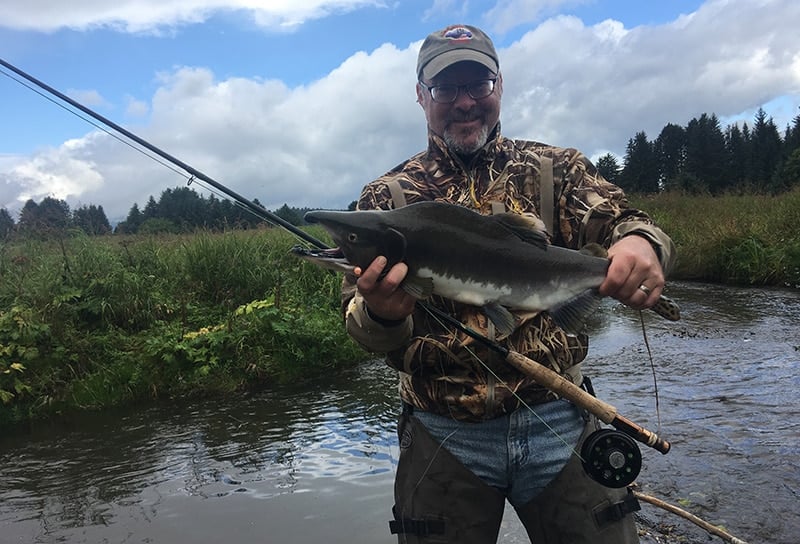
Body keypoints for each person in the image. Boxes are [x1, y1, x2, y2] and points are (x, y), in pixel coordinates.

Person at [341, 24, 675, 544]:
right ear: (420, 96)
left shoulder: (555, 170)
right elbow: (362, 330)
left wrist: (642, 245)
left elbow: (628, 222)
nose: (465, 102)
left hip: (562, 418)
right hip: (442, 434)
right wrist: (384, 313)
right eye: (447, 89)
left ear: (499, 87)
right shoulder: (385, 200)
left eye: (479, 85)